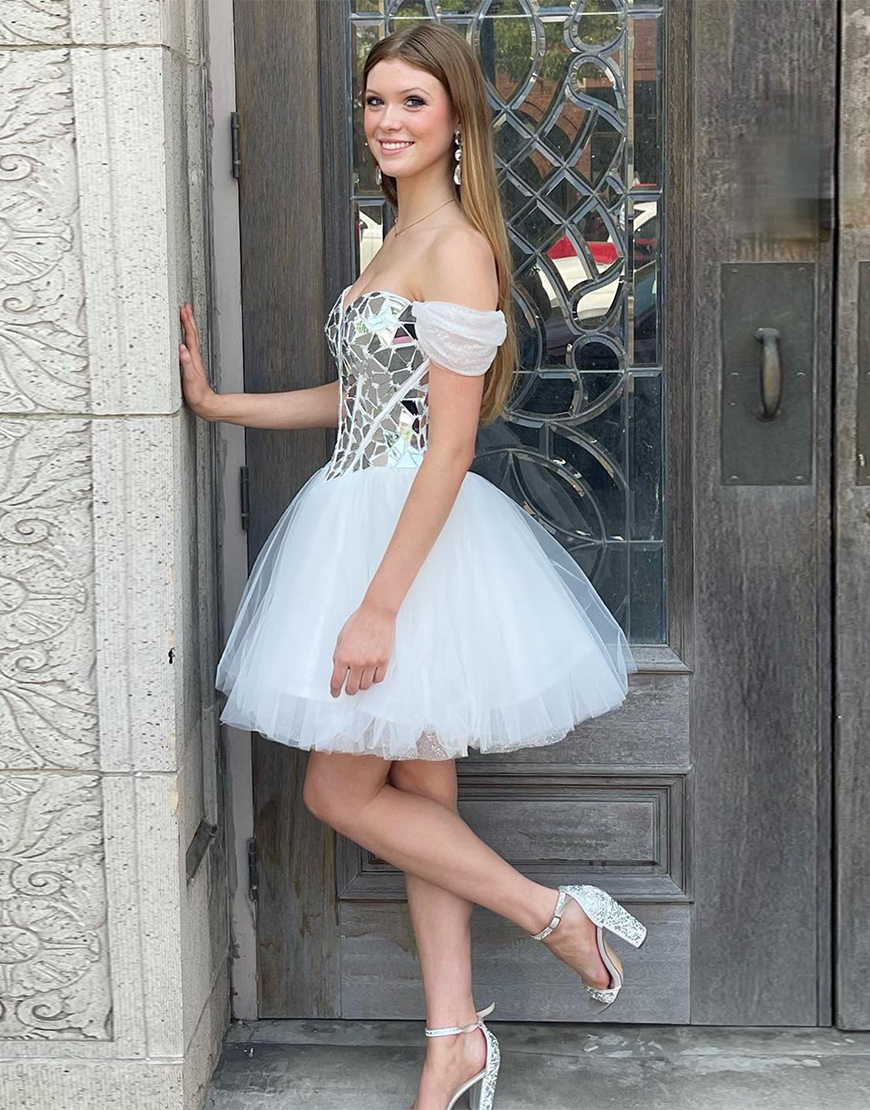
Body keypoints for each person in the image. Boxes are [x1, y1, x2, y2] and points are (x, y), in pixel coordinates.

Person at [179, 22, 645, 1110]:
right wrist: (219, 405)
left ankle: (552, 913)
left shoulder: (458, 248)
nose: (387, 121)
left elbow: (449, 445)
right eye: (375, 101)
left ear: (457, 120)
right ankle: (453, 1039)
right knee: (421, 790)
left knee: (339, 788)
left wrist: (377, 609)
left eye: (412, 103)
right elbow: (363, 407)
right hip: (360, 515)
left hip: (413, 549)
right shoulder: (394, 237)